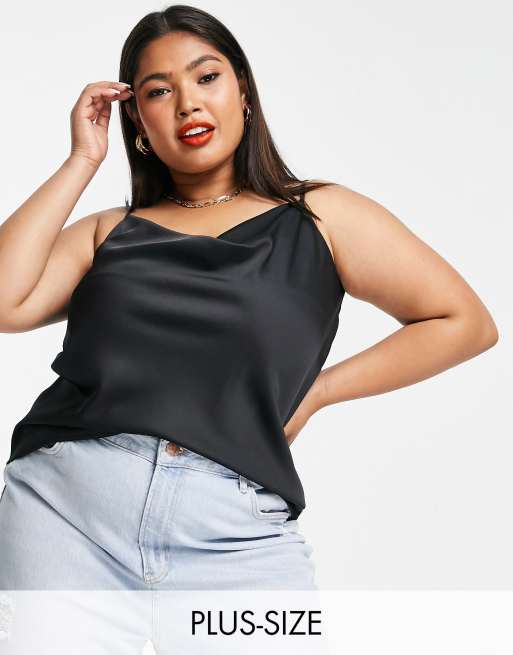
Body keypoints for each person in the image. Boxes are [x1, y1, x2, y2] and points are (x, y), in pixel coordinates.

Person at [0, 4, 498, 653]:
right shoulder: (108, 232)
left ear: (243, 90)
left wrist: (318, 392)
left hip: (233, 534)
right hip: (68, 518)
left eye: (205, 77)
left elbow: (463, 321)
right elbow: (5, 302)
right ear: (138, 121)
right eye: (158, 91)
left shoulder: (319, 217)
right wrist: (81, 160)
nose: (187, 102)